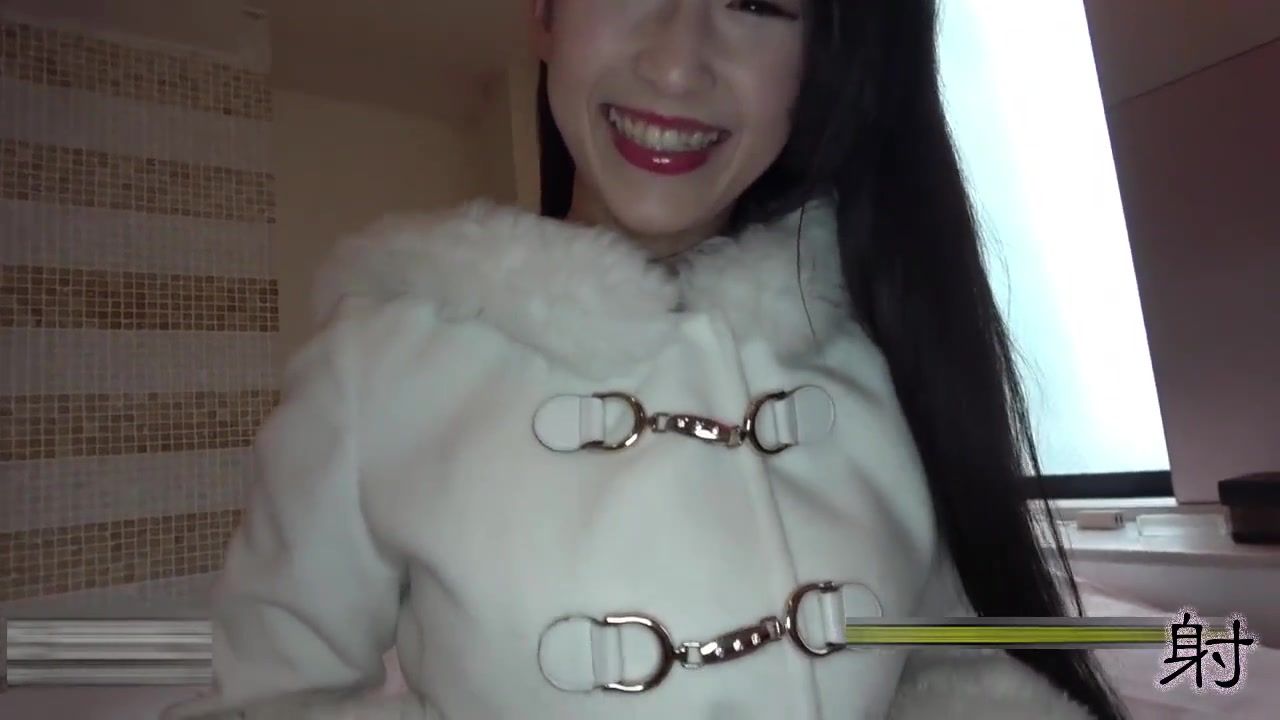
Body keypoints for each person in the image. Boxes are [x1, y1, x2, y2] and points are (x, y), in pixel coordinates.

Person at [164, 0, 1128, 717]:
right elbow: (268, 701)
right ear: (543, 12)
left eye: (756, 2)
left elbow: (944, 666)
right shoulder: (379, 369)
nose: (675, 65)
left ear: (819, 58)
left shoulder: (872, 359)